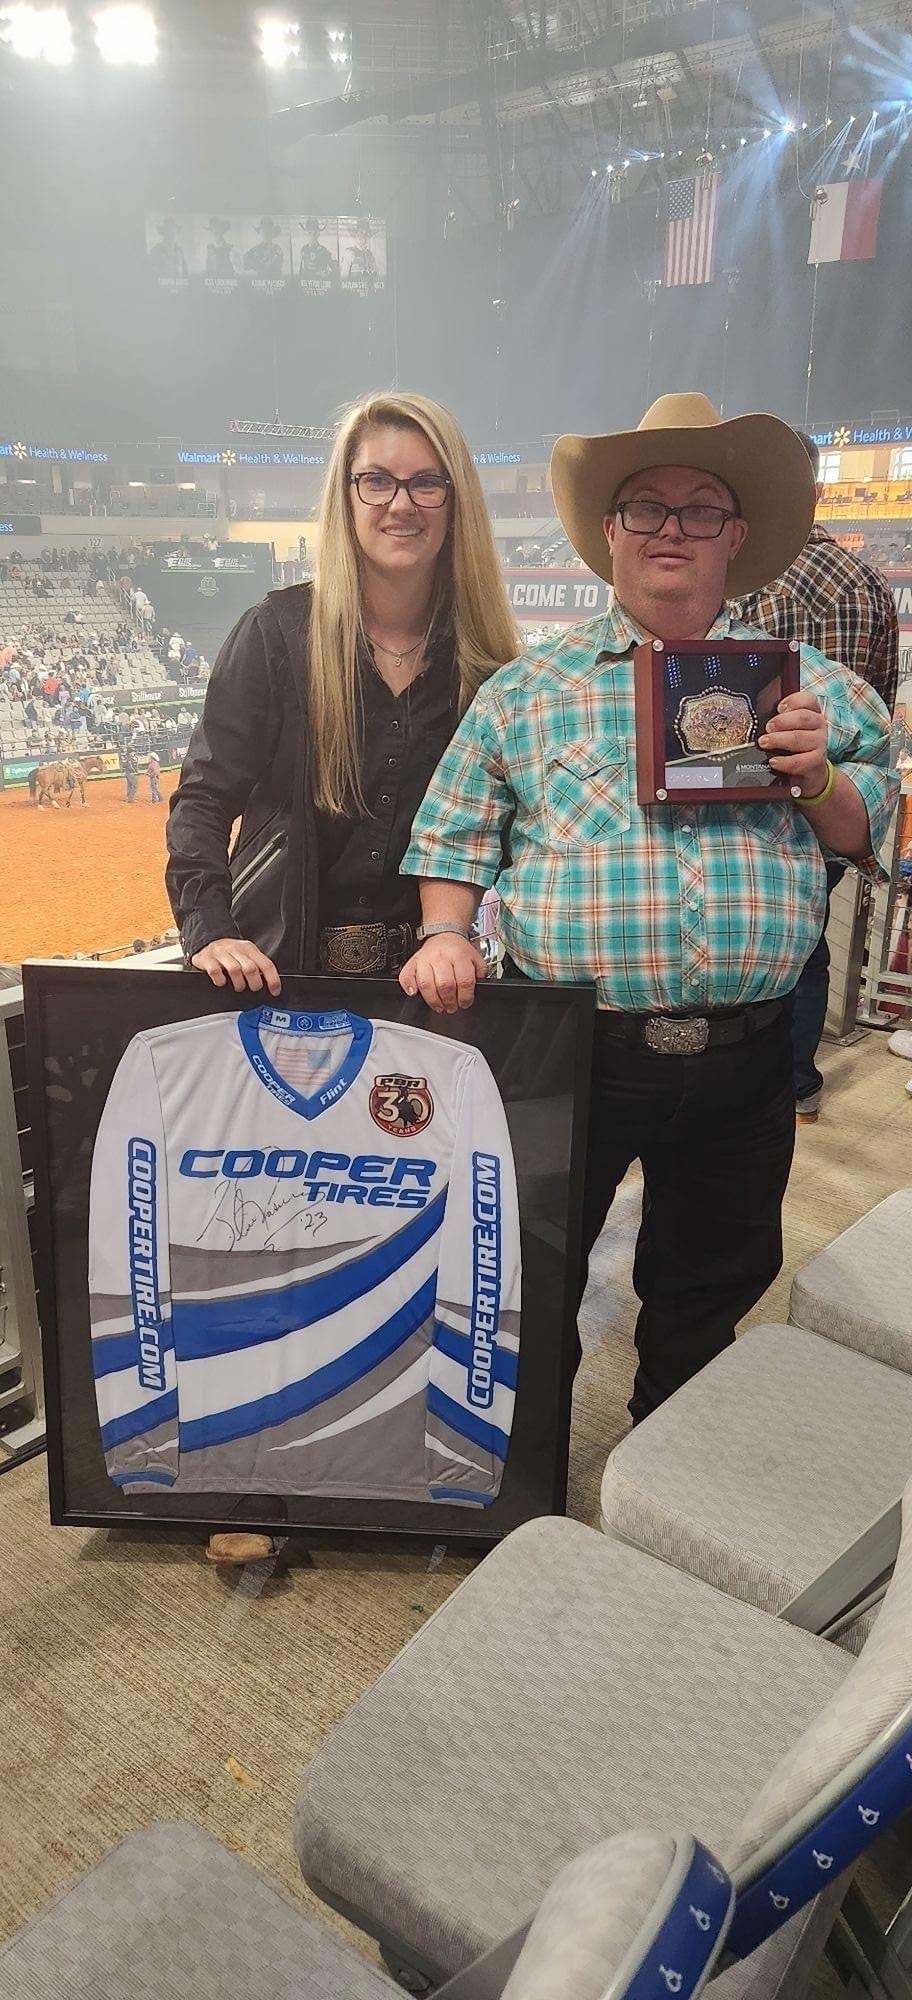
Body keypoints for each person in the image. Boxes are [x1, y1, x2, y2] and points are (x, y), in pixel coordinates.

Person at [397, 393, 897, 1427]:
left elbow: (867, 832)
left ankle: (668, 1458)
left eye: (701, 508)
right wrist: (445, 931)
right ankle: (526, 1474)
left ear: (736, 536)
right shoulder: (525, 692)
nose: (674, 529)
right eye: (647, 508)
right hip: (573, 1047)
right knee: (530, 1276)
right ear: (610, 532)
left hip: (747, 1054)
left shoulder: (818, 690)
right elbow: (452, 835)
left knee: (709, 1287)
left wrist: (815, 778)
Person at [165, 388, 519, 1561]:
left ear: (453, 499)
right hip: (284, 982)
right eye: (377, 479)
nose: (399, 501)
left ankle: (394, 1457)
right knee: (266, 1239)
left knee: (407, 1231)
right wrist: (210, 928)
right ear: (346, 496)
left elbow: (517, 826)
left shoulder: (487, 662)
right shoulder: (278, 635)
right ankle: (251, 1485)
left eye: (423, 480)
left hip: (427, 992)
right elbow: (204, 799)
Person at [732, 430, 901, 1123]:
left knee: (760, 940)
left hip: (753, 788)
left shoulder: (750, 580)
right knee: (807, 944)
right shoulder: (868, 582)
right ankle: (796, 1083)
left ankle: (759, 1086)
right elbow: (879, 706)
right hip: (834, 793)